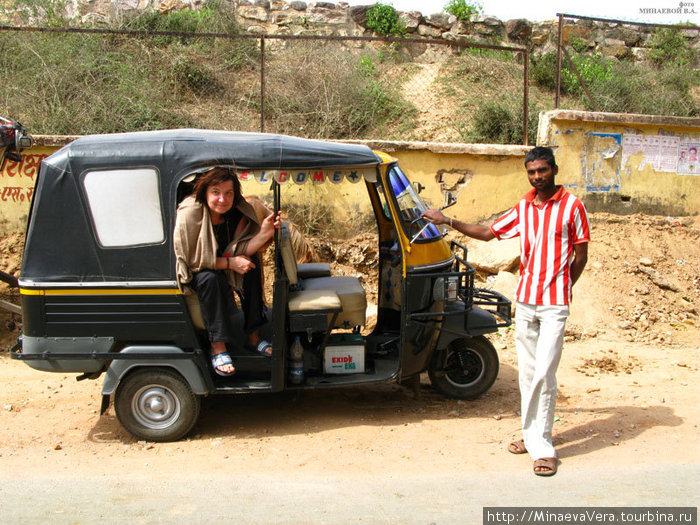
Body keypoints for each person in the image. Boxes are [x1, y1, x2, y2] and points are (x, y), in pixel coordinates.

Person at [422, 146, 589, 477]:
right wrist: (448, 220)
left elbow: (580, 255)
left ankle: (543, 447)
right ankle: (532, 436)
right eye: (532, 172)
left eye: (542, 170)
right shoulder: (524, 207)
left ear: (554, 170)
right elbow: (489, 233)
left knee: (545, 373)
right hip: (525, 301)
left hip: (555, 303)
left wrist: (564, 286)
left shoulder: (573, 206)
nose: (537, 176)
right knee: (528, 373)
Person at [174, 167, 281, 376]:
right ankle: (218, 346)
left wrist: (263, 234)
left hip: (224, 264)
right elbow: (191, 259)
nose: (222, 199)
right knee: (209, 279)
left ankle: (253, 336)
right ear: (205, 192)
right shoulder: (191, 212)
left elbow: (241, 249)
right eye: (216, 192)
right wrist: (230, 264)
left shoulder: (236, 214)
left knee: (251, 265)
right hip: (196, 271)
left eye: (228, 193)